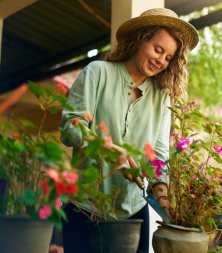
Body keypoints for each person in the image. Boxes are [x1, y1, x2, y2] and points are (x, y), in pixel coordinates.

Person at [59, 8, 199, 253]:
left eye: (168, 57)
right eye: (158, 49)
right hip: (84, 209)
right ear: (139, 39)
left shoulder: (161, 96)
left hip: (134, 214)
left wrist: (163, 198)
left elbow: (158, 155)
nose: (161, 61)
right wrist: (112, 151)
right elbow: (70, 128)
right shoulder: (97, 73)